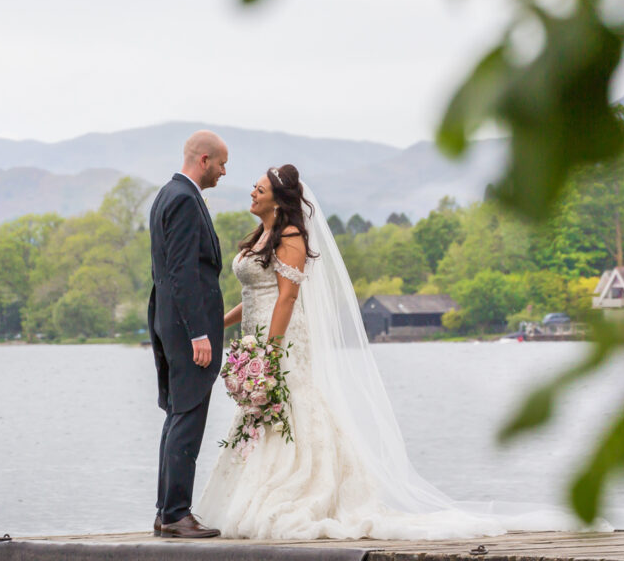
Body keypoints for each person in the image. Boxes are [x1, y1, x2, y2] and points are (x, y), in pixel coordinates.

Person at [195, 164, 582, 540]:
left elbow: (287, 296)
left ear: (278, 201)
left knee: (294, 405)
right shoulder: (259, 236)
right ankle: (248, 492)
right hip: (255, 338)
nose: (252, 192)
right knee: (260, 412)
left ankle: (299, 493)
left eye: (259, 189)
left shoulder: (291, 235)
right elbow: (255, 296)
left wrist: (271, 353)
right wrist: (220, 325)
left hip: (283, 340)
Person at [147, 130, 228, 539]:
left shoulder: (168, 194)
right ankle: (177, 513)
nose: (224, 171)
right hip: (185, 330)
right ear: (203, 160)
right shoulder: (182, 199)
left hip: (170, 323)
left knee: (178, 415)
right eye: (221, 164)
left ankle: (166, 513)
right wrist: (198, 332)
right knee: (188, 418)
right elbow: (180, 271)